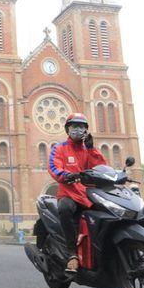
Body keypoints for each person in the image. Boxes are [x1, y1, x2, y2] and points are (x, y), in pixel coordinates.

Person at [48, 113, 107, 274]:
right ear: (68, 129)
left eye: (81, 127)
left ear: (86, 130)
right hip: (68, 193)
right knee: (65, 209)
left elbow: (101, 167)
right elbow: (54, 167)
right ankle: (72, 255)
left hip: (87, 193)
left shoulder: (87, 149)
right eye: (74, 126)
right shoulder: (59, 148)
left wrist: (91, 149)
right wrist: (65, 175)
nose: (78, 130)